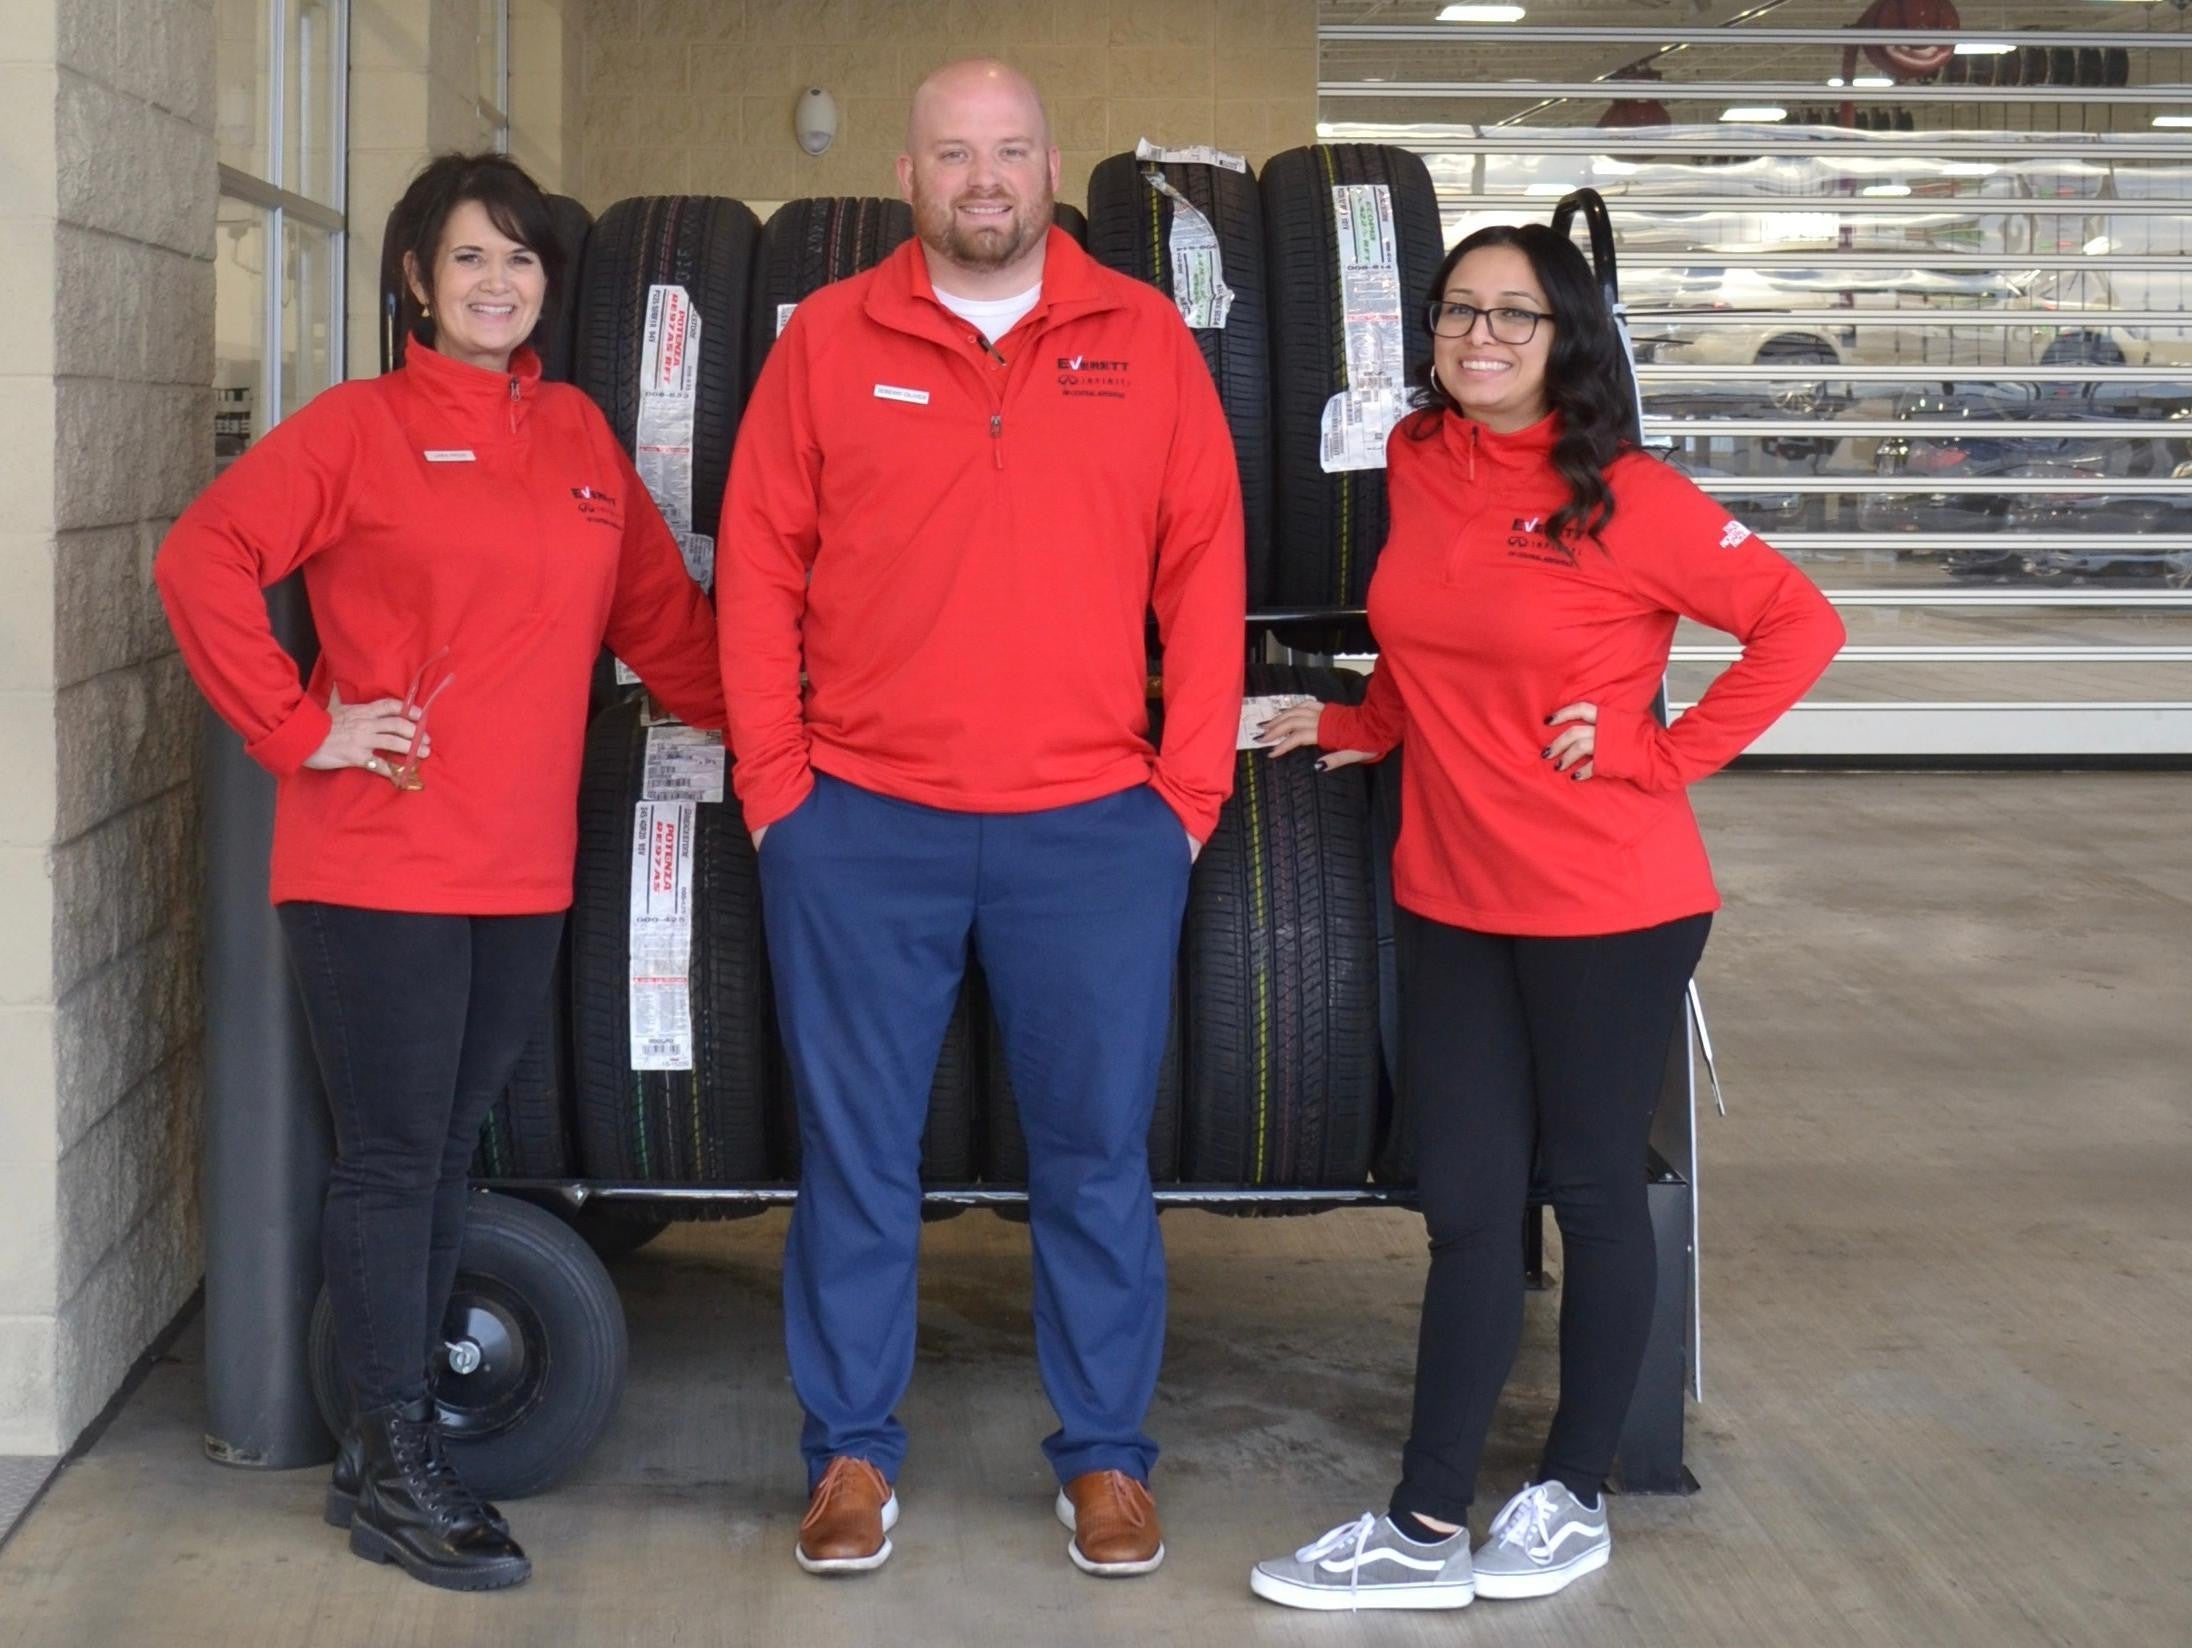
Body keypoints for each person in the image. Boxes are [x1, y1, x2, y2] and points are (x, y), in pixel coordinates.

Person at [1249, 224, 1844, 1610]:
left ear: (1567, 337)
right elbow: (1429, 638)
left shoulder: (1627, 495)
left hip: (1605, 903)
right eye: (1460, 311)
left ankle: (1571, 1495)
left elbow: (1800, 625)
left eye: (1516, 315)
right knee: (1464, 1206)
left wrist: (1659, 750)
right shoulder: (1420, 462)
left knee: (1590, 1193)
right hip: (1449, 895)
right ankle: (1422, 1524)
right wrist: (1362, 722)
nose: (1482, 338)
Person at [156, 152, 725, 1592]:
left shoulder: (587, 439)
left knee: (442, 1148)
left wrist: (817, 737)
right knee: (398, 1158)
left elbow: (670, 633)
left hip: (521, 871)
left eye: (520, 261)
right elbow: (202, 556)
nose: (496, 284)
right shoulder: (355, 430)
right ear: (416, 277)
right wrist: (301, 726)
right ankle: (400, 1454)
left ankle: (376, 1451)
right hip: (377, 864)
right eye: (469, 259)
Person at [718, 59, 1245, 1579]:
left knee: (1092, 1157)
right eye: (956, 154)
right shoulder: (830, 339)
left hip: (1092, 828)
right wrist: (777, 793)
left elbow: (1205, 572)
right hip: (861, 824)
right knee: (858, 1154)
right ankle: (850, 1460)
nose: (985, 179)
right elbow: (754, 567)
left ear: (1049, 165)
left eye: (1009, 151)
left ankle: (1104, 1461)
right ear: (910, 175)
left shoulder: (1140, 340)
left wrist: (1184, 796)